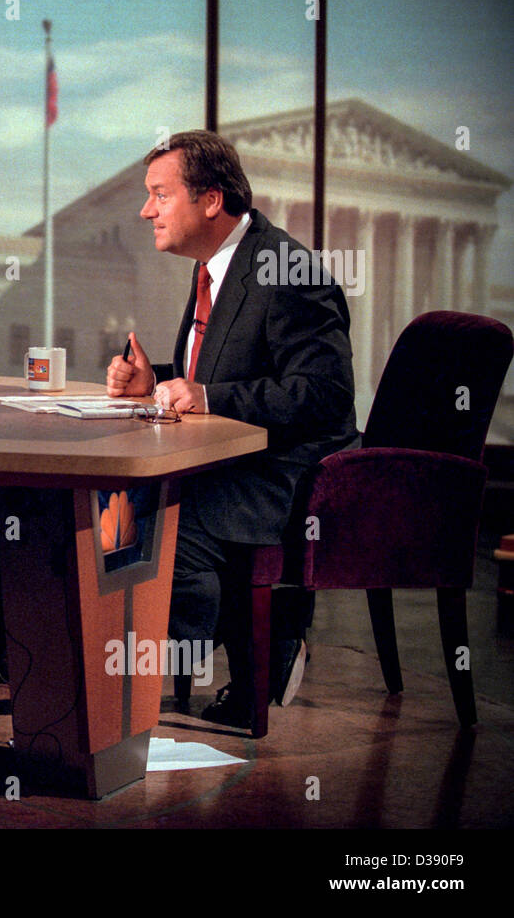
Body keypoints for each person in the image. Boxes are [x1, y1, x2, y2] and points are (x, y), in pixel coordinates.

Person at [106, 130, 358, 728]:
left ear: (211, 200)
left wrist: (206, 394)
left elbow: (325, 394)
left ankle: (259, 642)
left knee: (154, 525)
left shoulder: (287, 269)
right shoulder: (215, 267)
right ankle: (97, 667)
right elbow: (231, 373)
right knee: (115, 510)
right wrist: (159, 381)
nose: (147, 211)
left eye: (160, 196)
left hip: (282, 475)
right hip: (228, 461)